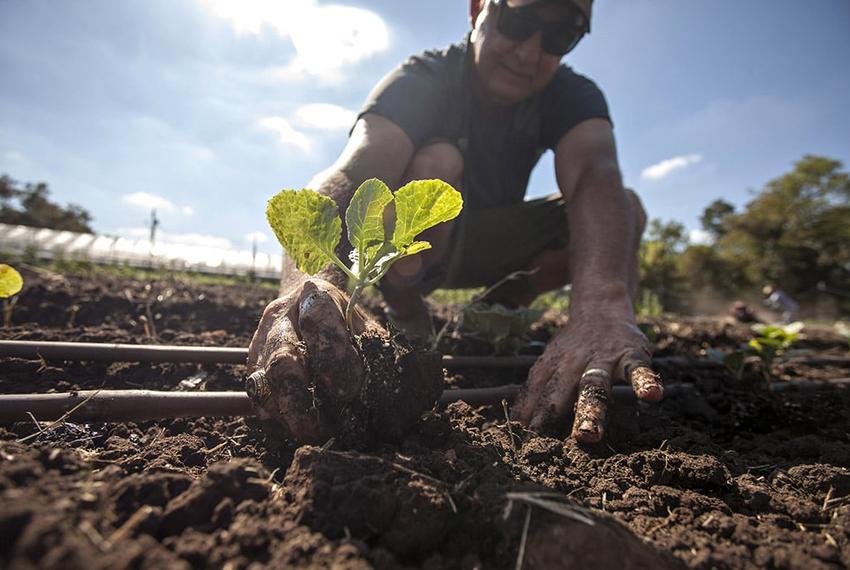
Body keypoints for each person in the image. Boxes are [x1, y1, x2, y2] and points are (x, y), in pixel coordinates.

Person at [248, 0, 664, 445]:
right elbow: (354, 173)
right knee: (438, 160)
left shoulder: (572, 94)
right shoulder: (425, 78)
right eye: (518, 21)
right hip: (423, 246)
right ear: (478, 9)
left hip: (494, 241)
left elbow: (594, 174)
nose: (529, 52)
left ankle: (503, 302)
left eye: (559, 35)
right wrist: (313, 285)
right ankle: (405, 307)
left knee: (624, 207)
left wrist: (603, 304)